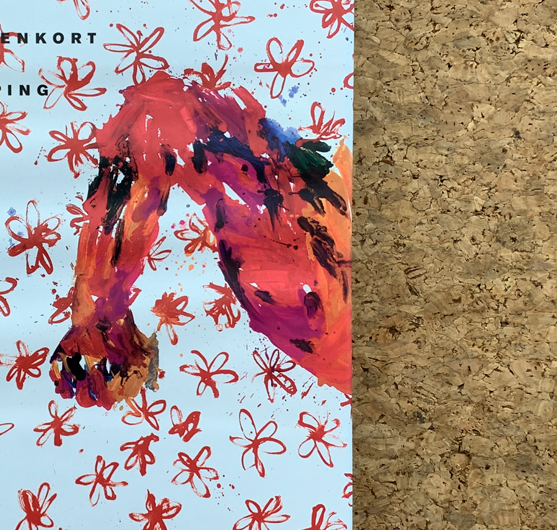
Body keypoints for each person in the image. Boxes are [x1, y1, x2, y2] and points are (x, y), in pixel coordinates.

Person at [49, 71, 352, 409]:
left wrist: (99, 307)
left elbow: (158, 115)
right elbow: (157, 116)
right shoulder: (310, 312)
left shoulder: (310, 315)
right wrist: (98, 307)